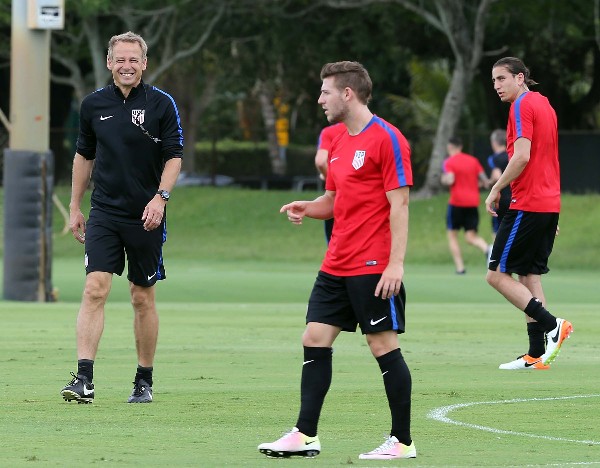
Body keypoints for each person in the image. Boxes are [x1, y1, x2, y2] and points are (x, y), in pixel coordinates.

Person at [258, 61, 416, 460]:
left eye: (326, 91)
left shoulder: (389, 139)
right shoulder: (340, 141)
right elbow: (333, 200)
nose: (320, 99)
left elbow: (400, 205)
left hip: (372, 266)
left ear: (348, 93)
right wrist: (307, 207)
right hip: (336, 263)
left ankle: (402, 442)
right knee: (314, 338)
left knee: (382, 345)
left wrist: (395, 265)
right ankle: (305, 434)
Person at [60, 31, 183, 403]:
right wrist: (75, 206)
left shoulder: (161, 104)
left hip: (146, 215)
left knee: (141, 296)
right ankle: (84, 379)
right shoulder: (93, 105)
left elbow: (174, 156)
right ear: (110, 63)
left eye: (134, 60)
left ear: (144, 64)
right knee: (94, 288)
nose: (127, 66)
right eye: (120, 59)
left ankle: (143, 379)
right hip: (105, 213)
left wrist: (160, 199)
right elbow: (84, 157)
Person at [486, 56, 572, 370]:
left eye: (501, 78)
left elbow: (522, 156)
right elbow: (550, 158)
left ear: (520, 77)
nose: (496, 85)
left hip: (528, 203)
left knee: (495, 274)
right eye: (494, 80)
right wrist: (552, 211)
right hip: (547, 204)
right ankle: (538, 354)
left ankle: (553, 325)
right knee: (529, 275)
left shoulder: (521, 106)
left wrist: (496, 188)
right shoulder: (545, 105)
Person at [441, 136, 491, 274]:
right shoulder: (473, 161)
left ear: (450, 147)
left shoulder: (448, 162)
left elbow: (450, 179)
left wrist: (443, 179)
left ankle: (460, 268)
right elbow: (484, 180)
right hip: (472, 203)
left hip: (456, 203)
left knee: (452, 235)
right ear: (461, 146)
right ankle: (487, 249)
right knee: (471, 237)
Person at [314, 122, 346, 243]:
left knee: (336, 249)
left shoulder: (330, 132)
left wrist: (330, 177)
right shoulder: (379, 129)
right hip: (368, 204)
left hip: (337, 201)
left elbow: (321, 162)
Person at [487, 129, 511, 237]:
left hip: (501, 199)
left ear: (494, 142)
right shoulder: (512, 157)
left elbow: (497, 176)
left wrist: (489, 182)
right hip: (515, 197)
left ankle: (497, 253)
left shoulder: (493, 159)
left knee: (497, 231)